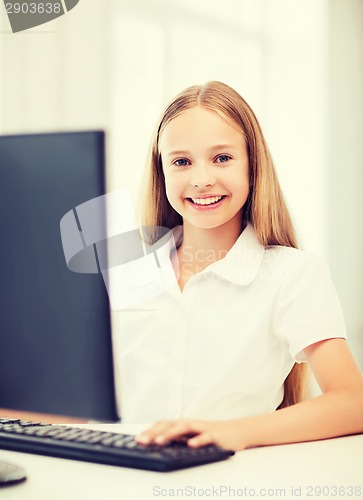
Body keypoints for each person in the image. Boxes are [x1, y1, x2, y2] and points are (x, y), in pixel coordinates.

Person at [112, 80, 363, 451]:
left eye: (222, 158)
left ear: (252, 164)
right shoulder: (125, 269)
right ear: (162, 172)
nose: (201, 180)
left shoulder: (293, 274)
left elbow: (353, 404)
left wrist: (231, 433)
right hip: (120, 478)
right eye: (181, 161)